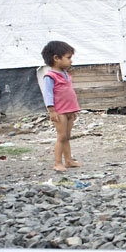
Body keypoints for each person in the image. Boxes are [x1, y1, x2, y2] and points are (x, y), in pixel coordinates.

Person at [40, 40, 82, 172]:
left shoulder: (66, 74)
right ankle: (57, 162)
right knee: (61, 136)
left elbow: (68, 93)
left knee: (67, 136)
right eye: (68, 58)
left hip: (69, 110)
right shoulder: (50, 76)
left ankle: (68, 160)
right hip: (59, 111)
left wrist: (73, 110)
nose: (71, 61)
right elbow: (48, 95)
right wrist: (52, 111)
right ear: (56, 58)